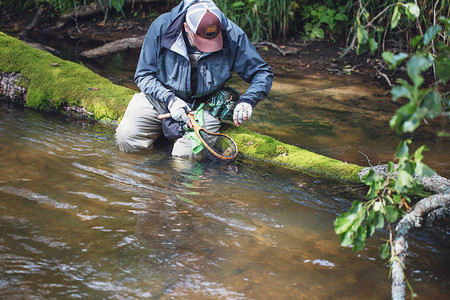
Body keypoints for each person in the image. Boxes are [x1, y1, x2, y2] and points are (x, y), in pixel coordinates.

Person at [115, 0, 273, 157]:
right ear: (186, 27)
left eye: (213, 41)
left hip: (205, 107)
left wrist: (248, 100)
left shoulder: (233, 35)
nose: (206, 47)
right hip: (159, 98)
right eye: (201, 41)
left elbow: (262, 72)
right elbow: (143, 75)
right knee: (127, 138)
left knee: (185, 156)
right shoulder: (162, 27)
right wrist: (170, 99)